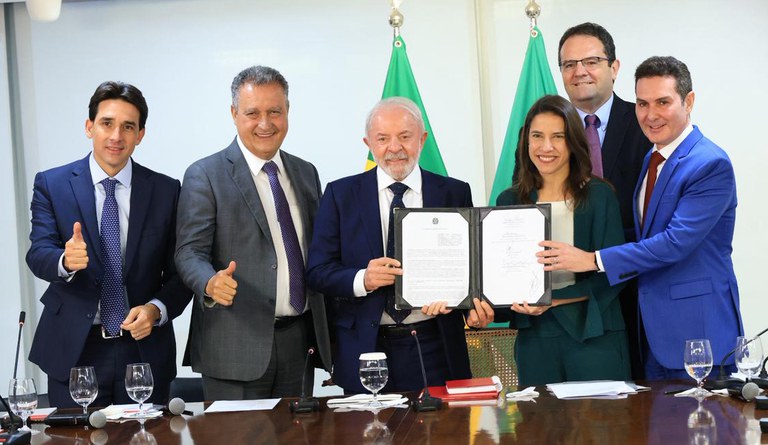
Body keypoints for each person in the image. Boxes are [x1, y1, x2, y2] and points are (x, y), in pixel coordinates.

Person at [538, 56, 743, 379]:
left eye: (663, 102)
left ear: (688, 101)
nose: (650, 115)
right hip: (652, 334)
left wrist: (592, 259)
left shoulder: (708, 163)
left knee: (705, 429)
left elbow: (674, 243)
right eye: (642, 103)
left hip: (697, 337)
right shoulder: (653, 157)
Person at [306, 97, 494, 394]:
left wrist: (473, 305)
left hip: (436, 342)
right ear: (368, 142)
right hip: (366, 349)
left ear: (422, 139)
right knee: (372, 436)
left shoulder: (454, 192)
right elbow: (317, 272)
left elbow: (472, 268)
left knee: (442, 434)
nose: (394, 148)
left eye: (405, 137)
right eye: (383, 139)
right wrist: (362, 279)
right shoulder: (340, 194)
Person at [26, 81, 192, 407]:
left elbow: (181, 271)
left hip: (143, 345)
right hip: (77, 347)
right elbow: (38, 252)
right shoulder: (52, 184)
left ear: (140, 134)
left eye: (128, 127)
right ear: (89, 127)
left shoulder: (166, 190)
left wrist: (156, 310)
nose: (116, 136)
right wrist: (64, 260)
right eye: (107, 124)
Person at [175, 65, 331, 400]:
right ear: (234, 114)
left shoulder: (306, 172)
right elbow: (188, 252)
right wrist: (209, 282)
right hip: (234, 346)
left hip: (299, 343)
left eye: (275, 111)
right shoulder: (205, 174)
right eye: (252, 113)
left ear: (287, 111)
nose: (265, 123)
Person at [514, 22, 652, 378]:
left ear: (614, 67)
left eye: (590, 61)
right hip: (543, 334)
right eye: (569, 64)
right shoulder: (515, 195)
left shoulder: (647, 123)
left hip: (635, 296)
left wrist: (594, 261)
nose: (579, 72)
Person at [496, 95, 630, 386]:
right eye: (537, 136)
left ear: (572, 142)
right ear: (526, 142)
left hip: (594, 336)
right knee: (540, 429)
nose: (546, 147)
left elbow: (616, 274)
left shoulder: (600, 195)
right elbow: (501, 275)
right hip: (534, 338)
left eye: (558, 136)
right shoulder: (509, 201)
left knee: (600, 429)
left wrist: (553, 300)